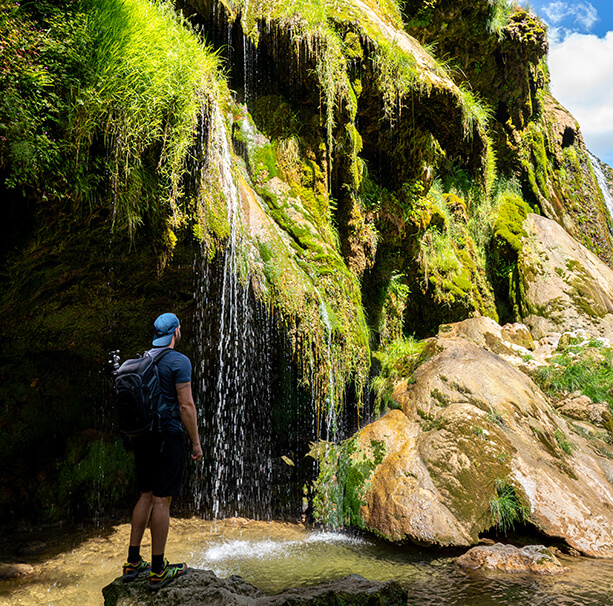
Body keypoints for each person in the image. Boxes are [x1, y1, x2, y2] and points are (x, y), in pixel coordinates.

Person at [121, 312, 203, 590]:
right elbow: (186, 406)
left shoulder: (141, 360)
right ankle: (158, 570)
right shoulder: (179, 361)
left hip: (142, 435)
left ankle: (132, 562)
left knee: (145, 493)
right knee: (161, 500)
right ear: (175, 332)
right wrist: (195, 442)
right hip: (167, 435)